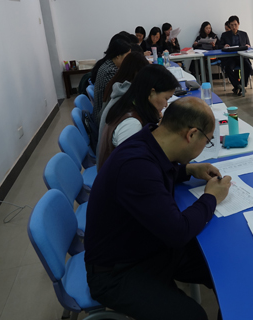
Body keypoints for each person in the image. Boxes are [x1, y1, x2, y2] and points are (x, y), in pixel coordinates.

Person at [85, 96, 232, 320]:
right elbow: (178, 231)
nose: (205, 147)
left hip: (146, 246)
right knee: (193, 317)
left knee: (223, 268)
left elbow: (158, 172)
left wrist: (188, 170)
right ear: (192, 134)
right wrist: (211, 197)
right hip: (116, 272)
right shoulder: (136, 167)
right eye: (207, 141)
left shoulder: (148, 140)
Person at [97, 64, 179, 169]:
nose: (166, 105)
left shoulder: (130, 103)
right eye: (166, 99)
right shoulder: (131, 124)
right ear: (151, 93)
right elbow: (133, 167)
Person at [93, 38, 132, 125]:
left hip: (104, 111)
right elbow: (119, 95)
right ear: (118, 56)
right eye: (127, 56)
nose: (129, 60)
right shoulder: (110, 71)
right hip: (103, 117)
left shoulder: (109, 64)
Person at [219, 15, 251, 95]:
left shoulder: (244, 34)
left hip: (242, 57)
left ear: (239, 24)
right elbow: (219, 46)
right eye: (232, 25)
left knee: (249, 67)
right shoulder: (225, 35)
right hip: (231, 58)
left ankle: (242, 85)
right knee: (228, 68)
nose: (234, 27)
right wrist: (224, 46)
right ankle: (237, 85)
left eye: (235, 25)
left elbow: (248, 45)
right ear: (229, 25)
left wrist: (248, 46)